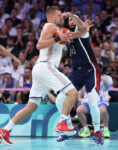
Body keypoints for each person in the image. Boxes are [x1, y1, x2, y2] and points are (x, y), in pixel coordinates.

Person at [0, 6, 86, 145]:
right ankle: (63, 123)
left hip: (41, 69)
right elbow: (39, 45)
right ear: (52, 17)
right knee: (72, 92)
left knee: (31, 107)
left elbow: (82, 31)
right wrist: (58, 38)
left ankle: (5, 130)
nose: (61, 18)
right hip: (46, 66)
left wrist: (71, 16)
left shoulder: (59, 29)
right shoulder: (50, 26)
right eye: (58, 16)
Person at [55, 13, 103, 144]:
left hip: (90, 71)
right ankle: (69, 129)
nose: (71, 21)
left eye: (73, 19)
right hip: (76, 72)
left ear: (77, 20)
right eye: (69, 20)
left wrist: (70, 14)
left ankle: (98, 132)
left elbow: (82, 26)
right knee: (59, 100)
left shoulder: (83, 32)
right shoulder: (68, 37)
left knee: (93, 103)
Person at [76, 61, 113, 138]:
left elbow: (109, 83)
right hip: (88, 100)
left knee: (103, 110)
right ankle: (86, 130)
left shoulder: (107, 77)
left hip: (100, 100)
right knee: (79, 110)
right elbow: (82, 90)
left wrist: (98, 74)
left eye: (99, 66)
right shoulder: (87, 77)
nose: (97, 66)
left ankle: (106, 129)